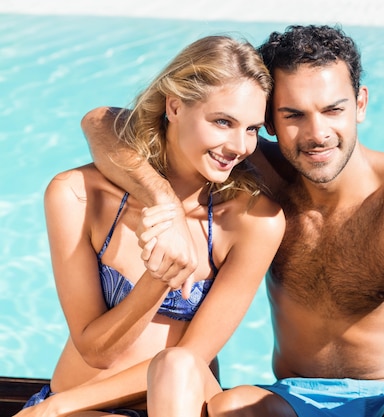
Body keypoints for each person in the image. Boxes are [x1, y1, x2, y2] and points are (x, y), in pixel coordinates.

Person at [82, 25, 384, 417]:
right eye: (294, 115)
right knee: (203, 386)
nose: (317, 133)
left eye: (333, 110)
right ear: (268, 121)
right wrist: (163, 203)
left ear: (360, 104)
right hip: (294, 398)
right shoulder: (260, 167)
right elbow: (101, 122)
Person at [15, 35, 284, 417]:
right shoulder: (77, 195)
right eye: (223, 122)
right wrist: (157, 279)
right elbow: (95, 349)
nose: (239, 145)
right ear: (174, 106)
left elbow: (190, 360)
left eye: (252, 129)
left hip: (167, 406)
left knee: (175, 365)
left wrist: (55, 408)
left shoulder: (253, 222)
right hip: (74, 407)